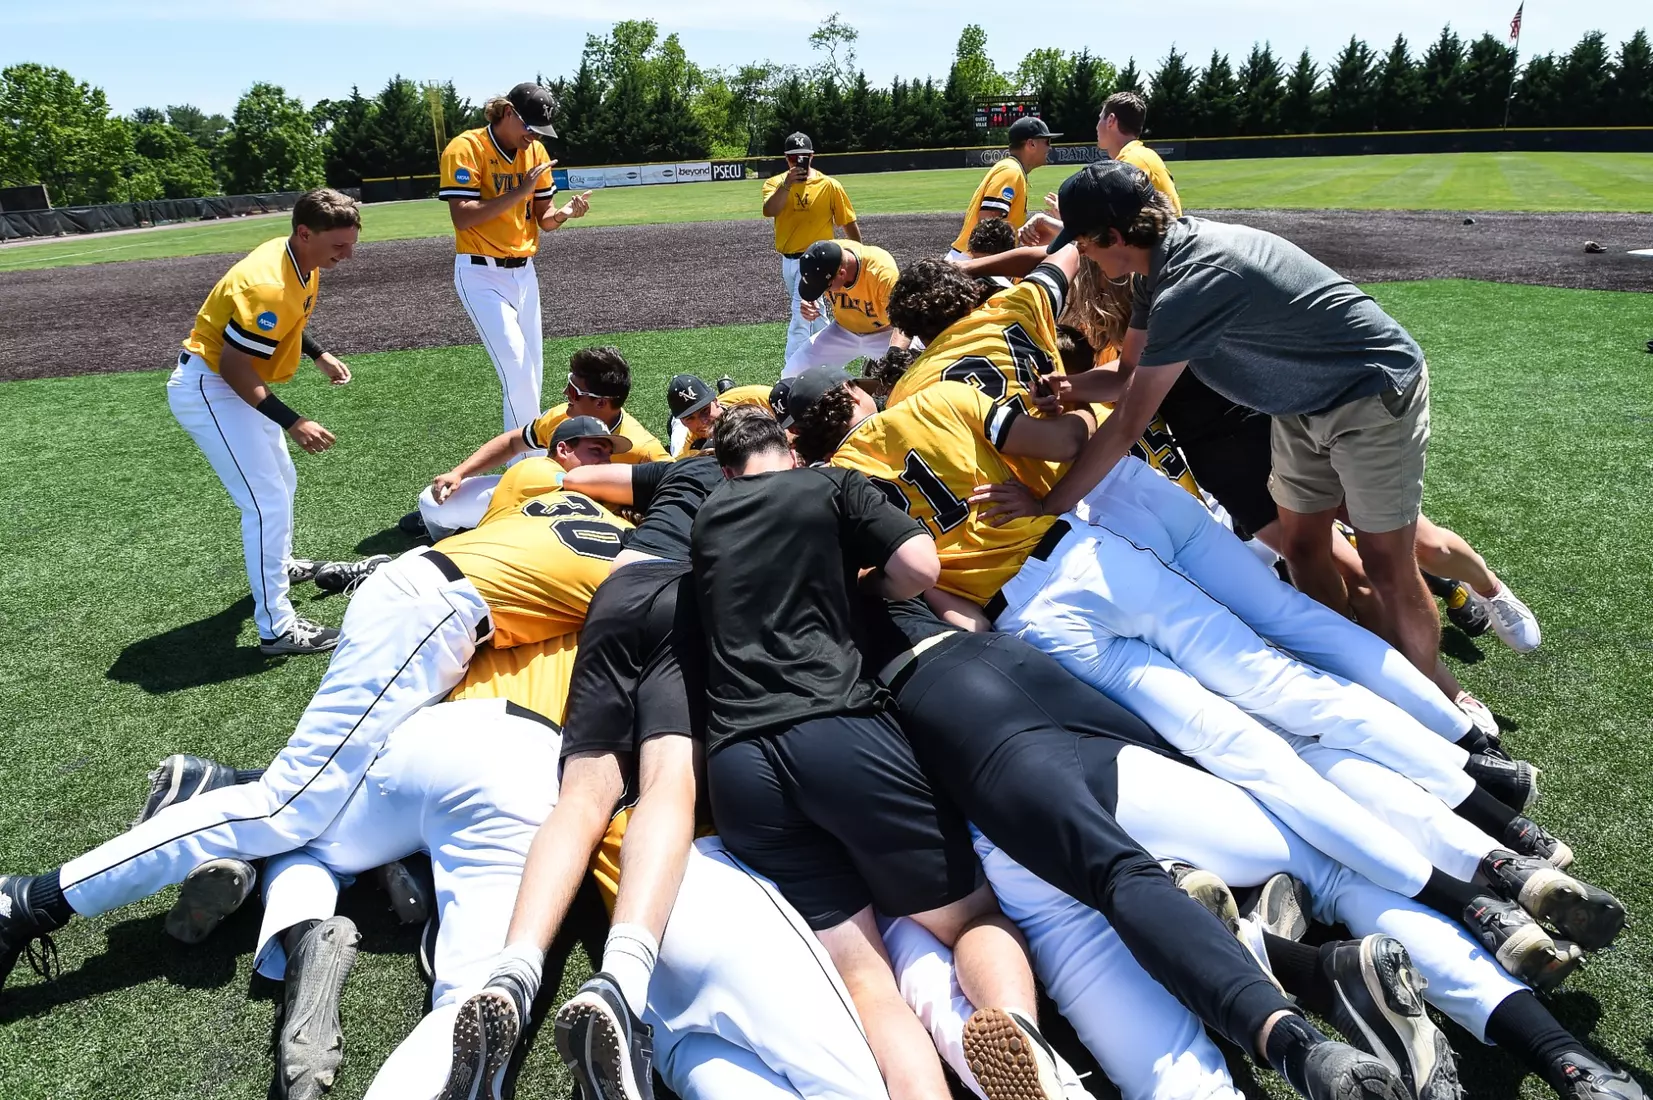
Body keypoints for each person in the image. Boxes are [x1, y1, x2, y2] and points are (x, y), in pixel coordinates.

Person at [787, 363, 1613, 986]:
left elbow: (936, 606)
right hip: (1088, 551)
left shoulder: (831, 499)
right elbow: (1070, 441)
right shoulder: (937, 399)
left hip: (1029, 621)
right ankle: (1498, 827)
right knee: (1288, 680)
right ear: (857, 401)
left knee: (1236, 749)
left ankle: (1468, 898)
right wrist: (1028, 498)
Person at [0, 464, 631, 1000]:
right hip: (439, 616)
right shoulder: (641, 555)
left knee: (322, 796)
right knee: (285, 806)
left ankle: (213, 796)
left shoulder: (552, 494)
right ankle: (32, 901)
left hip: (426, 599)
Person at [691, 408, 1081, 1100]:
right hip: (834, 731)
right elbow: (915, 565)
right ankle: (1016, 1030)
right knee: (972, 919)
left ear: (725, 468)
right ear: (790, 450)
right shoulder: (829, 485)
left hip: (738, 768)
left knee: (868, 978)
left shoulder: (706, 515)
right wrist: (869, 590)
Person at [1028, 160, 1448, 681]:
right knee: (1301, 548)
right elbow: (1130, 374)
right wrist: (1070, 388)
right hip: (1302, 401)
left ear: (1114, 234)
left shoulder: (1190, 281)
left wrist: (1048, 505)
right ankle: (1355, 677)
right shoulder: (1153, 270)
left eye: (1084, 242)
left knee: (1386, 566)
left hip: (1370, 388)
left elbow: (1128, 423)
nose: (1081, 252)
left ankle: (1437, 706)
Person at [166, 188, 361, 656]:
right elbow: (235, 367)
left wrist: (317, 353)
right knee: (265, 502)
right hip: (211, 388)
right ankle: (277, 627)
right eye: (339, 246)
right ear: (304, 232)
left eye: (352, 243)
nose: (347, 255)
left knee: (282, 483)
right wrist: (293, 422)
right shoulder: (268, 282)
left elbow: (285, 320)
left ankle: (279, 561)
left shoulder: (299, 255)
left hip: (226, 381)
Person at [440, 82, 592, 437]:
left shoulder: (535, 152)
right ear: (507, 112)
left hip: (525, 274)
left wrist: (565, 213)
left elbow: (544, 218)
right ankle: (527, 460)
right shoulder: (466, 148)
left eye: (539, 130)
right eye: (529, 126)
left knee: (532, 372)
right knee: (517, 366)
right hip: (480, 273)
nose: (533, 136)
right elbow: (462, 216)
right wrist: (520, 191)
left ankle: (524, 457)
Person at [413, 347, 666, 539]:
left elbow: (682, 486)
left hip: (595, 522)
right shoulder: (562, 416)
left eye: (575, 391)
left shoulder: (643, 448)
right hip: (537, 498)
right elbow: (513, 442)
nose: (566, 394)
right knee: (431, 501)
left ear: (601, 402)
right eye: (569, 384)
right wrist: (459, 473)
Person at [761, 132, 860, 365]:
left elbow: (847, 222)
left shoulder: (829, 186)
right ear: (786, 159)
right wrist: (787, 185)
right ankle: (832, 359)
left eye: (803, 158)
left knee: (800, 316)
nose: (798, 163)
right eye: (793, 159)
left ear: (812, 156)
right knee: (816, 316)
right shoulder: (775, 184)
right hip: (789, 261)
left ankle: (791, 375)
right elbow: (770, 210)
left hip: (818, 261)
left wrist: (859, 255)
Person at [784, 238, 908, 377]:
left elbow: (904, 323)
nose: (825, 291)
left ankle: (876, 364)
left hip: (885, 334)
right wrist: (809, 300)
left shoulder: (882, 273)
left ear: (842, 274)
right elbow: (814, 282)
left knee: (909, 376)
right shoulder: (825, 255)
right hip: (843, 331)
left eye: (826, 287)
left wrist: (894, 355)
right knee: (793, 371)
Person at [948, 117, 1060, 261]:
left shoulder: (1014, 169)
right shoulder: (1011, 171)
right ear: (1031, 144)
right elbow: (987, 222)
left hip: (974, 258)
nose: (1049, 148)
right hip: (972, 260)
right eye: (1047, 142)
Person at [1097, 91, 1181, 215]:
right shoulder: (1140, 155)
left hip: (1161, 234)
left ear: (1111, 120)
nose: (1097, 126)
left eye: (1100, 118)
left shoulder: (1131, 162)